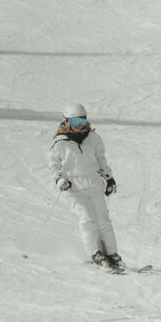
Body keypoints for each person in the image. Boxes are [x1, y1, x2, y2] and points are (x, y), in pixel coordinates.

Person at [47, 103, 122, 269]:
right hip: (74, 189)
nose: (78, 125)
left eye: (81, 120)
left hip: (94, 185)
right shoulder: (60, 143)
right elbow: (54, 166)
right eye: (74, 122)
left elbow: (101, 160)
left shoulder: (93, 138)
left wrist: (109, 179)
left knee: (103, 220)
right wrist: (59, 180)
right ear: (66, 121)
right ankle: (95, 253)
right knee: (87, 220)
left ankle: (112, 253)